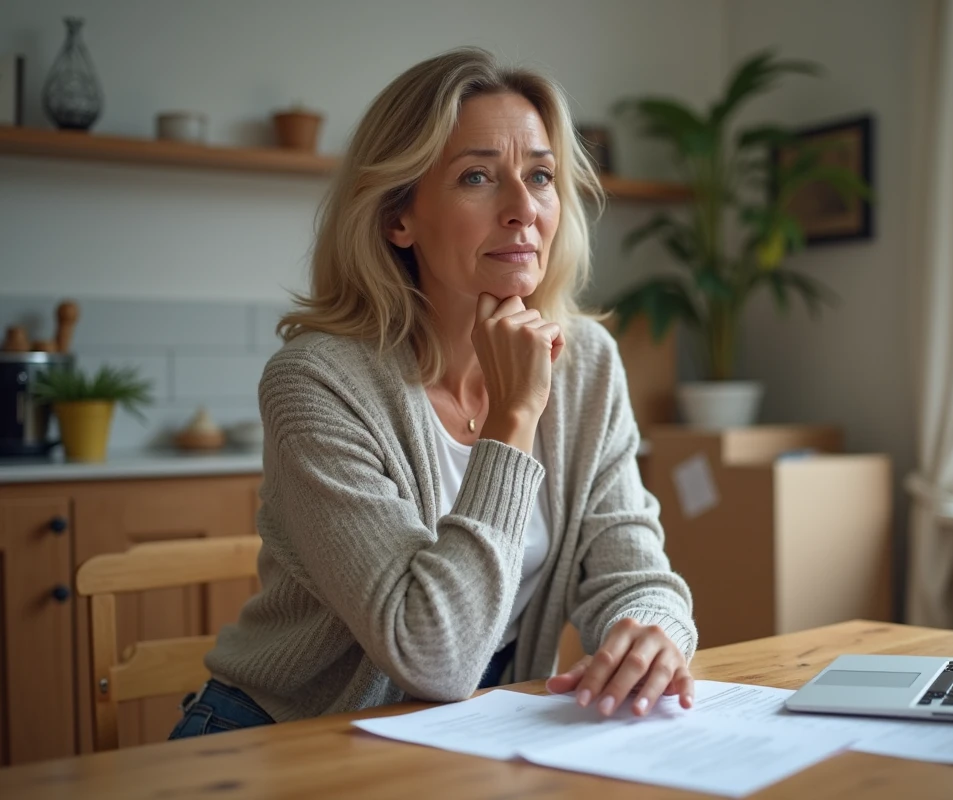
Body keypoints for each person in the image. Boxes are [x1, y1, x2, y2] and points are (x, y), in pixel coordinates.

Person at [168, 46, 697, 739]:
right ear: (399, 218)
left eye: (540, 177)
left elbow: (633, 569)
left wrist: (652, 633)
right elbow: (435, 656)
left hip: (457, 737)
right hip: (281, 740)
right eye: (477, 176)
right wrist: (513, 418)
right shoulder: (316, 382)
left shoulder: (587, 362)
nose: (522, 210)